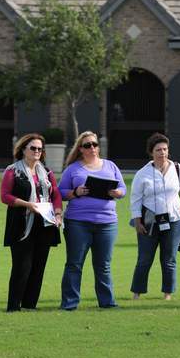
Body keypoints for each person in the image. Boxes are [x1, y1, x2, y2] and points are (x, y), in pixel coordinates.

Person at [58, 131, 126, 310]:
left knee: (103, 265)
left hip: (107, 223)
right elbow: (60, 192)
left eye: (95, 144)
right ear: (81, 149)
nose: (92, 148)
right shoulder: (73, 169)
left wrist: (118, 193)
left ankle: (107, 303)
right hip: (78, 223)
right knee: (74, 263)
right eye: (87, 145)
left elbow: (122, 188)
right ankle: (69, 303)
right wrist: (76, 192)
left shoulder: (110, 166)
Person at [0, 133, 63, 312]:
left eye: (40, 149)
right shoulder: (12, 170)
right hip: (21, 224)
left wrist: (58, 214)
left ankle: (30, 305)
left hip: (45, 223)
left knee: (38, 266)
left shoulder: (47, 172)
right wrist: (27, 204)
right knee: (22, 267)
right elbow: (5, 196)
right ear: (23, 150)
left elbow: (56, 194)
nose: (37, 151)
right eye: (33, 148)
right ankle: (13, 306)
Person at [129, 133, 180, 300]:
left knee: (169, 259)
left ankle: (168, 293)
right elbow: (135, 199)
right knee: (144, 259)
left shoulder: (178, 169)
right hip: (149, 222)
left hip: (174, 221)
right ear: (151, 152)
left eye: (165, 149)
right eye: (158, 150)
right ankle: (137, 292)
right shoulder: (142, 174)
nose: (162, 153)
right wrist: (137, 221)